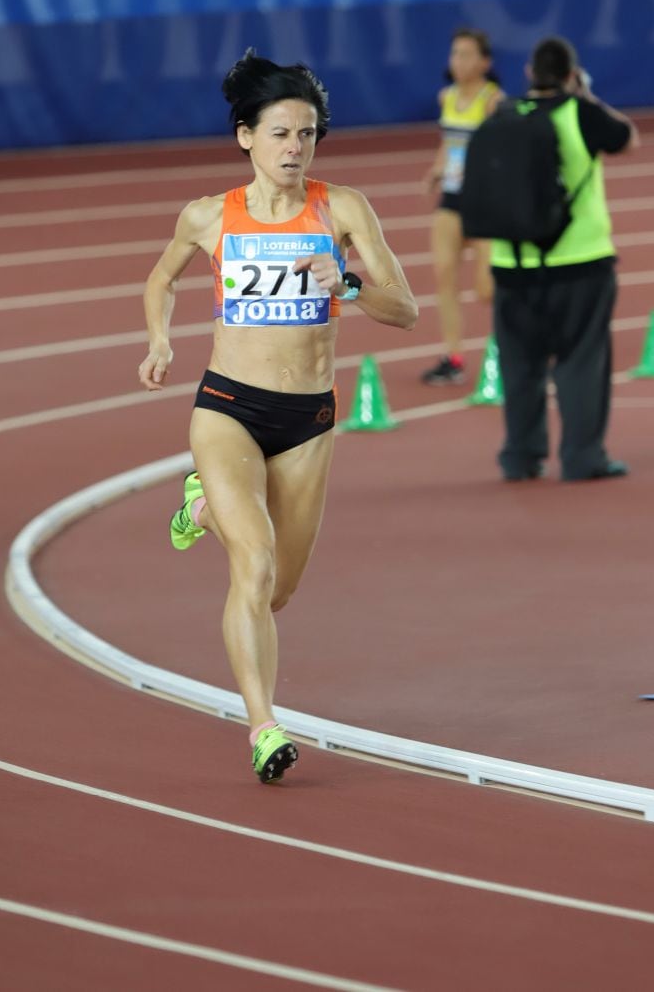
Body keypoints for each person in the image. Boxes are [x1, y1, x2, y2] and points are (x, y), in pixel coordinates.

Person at [138, 49, 418, 783]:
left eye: (308, 135)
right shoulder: (208, 216)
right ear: (245, 138)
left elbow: (407, 311)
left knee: (279, 591)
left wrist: (349, 282)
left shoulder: (344, 209)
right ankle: (264, 726)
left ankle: (198, 509)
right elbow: (160, 279)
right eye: (281, 134)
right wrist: (161, 336)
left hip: (309, 419)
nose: (295, 148)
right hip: (228, 406)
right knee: (253, 567)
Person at [490, 35, 639, 482]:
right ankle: (582, 457)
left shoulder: (502, 114)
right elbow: (628, 138)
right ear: (572, 75)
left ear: (530, 74)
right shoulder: (582, 112)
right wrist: (586, 95)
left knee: (520, 367)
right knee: (581, 362)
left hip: (512, 265)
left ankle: (520, 457)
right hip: (580, 262)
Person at [421, 28, 503, 384]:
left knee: (487, 290)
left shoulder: (494, 101)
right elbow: (449, 143)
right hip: (452, 200)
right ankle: (452, 357)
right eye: (455, 54)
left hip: (486, 204)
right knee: (443, 277)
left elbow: (504, 153)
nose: (459, 61)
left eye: (467, 55)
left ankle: (518, 343)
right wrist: (437, 170)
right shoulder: (447, 97)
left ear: (485, 62)